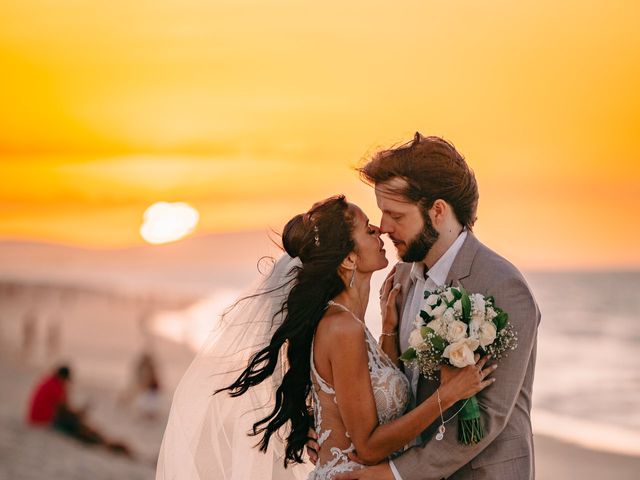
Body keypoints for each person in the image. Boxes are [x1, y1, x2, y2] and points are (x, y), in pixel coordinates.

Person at [156, 195, 494, 479]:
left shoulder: (348, 323)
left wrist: (389, 327)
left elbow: (374, 397)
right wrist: (447, 395)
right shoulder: (340, 327)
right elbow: (369, 444)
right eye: (367, 228)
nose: (379, 229)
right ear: (349, 258)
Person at [332, 134, 541, 479]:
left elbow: (488, 416)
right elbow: (395, 386)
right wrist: (334, 431)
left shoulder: (503, 287)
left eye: (395, 215)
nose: (383, 228)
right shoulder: (400, 276)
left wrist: (395, 473)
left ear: (438, 211)